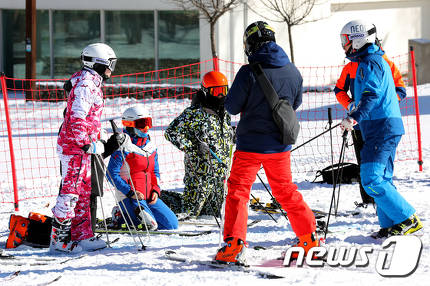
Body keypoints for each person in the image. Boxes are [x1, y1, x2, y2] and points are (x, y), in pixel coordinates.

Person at [214, 21, 317, 265]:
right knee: (285, 190)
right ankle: (309, 237)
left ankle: (233, 244)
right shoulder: (293, 70)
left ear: (250, 44)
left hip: (249, 145)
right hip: (279, 146)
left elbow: (231, 107)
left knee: (239, 192)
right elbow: (295, 103)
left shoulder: (249, 71)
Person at [339, 20, 423, 238]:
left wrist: (354, 117)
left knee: (371, 179)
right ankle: (390, 225)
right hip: (380, 126)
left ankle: (407, 218)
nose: (343, 45)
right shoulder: (369, 61)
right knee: (382, 179)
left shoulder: (371, 62)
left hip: (381, 127)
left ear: (358, 40)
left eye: (345, 40)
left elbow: (372, 94)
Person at [51, 43, 119, 253]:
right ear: (98, 63)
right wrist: (86, 143)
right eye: (109, 64)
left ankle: (83, 235)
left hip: (82, 148)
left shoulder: (91, 82)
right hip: (74, 148)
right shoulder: (85, 85)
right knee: (70, 192)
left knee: (83, 191)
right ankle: (59, 240)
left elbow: (89, 118)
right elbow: (76, 118)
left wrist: (99, 137)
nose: (111, 70)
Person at [334, 24, 407, 211]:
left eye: (346, 42)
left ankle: (401, 214)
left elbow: (398, 90)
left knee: (373, 173)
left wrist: (382, 105)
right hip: (359, 123)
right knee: (366, 166)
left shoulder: (381, 62)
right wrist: (351, 106)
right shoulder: (351, 66)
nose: (344, 46)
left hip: (377, 121)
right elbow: (339, 90)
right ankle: (372, 204)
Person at [164, 71, 234, 219]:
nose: (221, 95)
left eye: (224, 90)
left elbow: (221, 135)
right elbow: (171, 132)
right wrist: (193, 146)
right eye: (217, 91)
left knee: (212, 214)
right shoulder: (194, 113)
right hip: (199, 174)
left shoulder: (225, 114)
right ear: (206, 91)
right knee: (190, 212)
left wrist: (233, 135)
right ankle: (157, 197)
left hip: (219, 175)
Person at [107, 105, 178, 230]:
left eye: (148, 123)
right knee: (151, 226)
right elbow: (111, 174)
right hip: (130, 196)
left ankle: (124, 214)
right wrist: (130, 192)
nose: (146, 128)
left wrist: (155, 190)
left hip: (149, 195)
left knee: (171, 224)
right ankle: (121, 216)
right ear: (129, 124)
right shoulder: (123, 146)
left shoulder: (150, 147)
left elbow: (155, 172)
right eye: (141, 124)